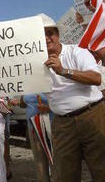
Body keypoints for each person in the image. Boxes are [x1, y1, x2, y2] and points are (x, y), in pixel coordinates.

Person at [42, 13, 105, 181]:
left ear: (58, 35)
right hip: (63, 124)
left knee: (102, 170)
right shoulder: (35, 64)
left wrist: (63, 71)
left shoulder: (77, 52)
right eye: (42, 35)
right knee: (65, 175)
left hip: (92, 116)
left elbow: (96, 78)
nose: (47, 38)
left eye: (50, 33)